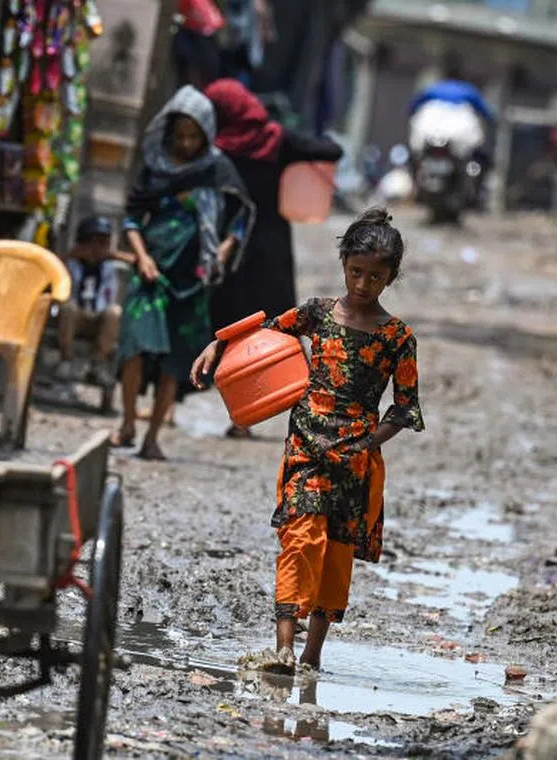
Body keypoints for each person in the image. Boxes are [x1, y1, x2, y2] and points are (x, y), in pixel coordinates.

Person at [191, 208, 424, 673]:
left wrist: (367, 442)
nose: (362, 284)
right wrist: (217, 343)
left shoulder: (397, 337)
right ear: (344, 265)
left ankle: (312, 655)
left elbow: (405, 408)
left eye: (375, 277)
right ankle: (283, 648)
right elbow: (266, 332)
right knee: (299, 538)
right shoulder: (318, 313)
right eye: (356, 272)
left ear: (390, 277)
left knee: (336, 554)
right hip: (305, 447)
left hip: (354, 461)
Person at [113, 85, 247, 461]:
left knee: (174, 363)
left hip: (192, 281)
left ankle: (152, 437)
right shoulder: (154, 167)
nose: (187, 144)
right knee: (135, 348)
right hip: (152, 273)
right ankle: (126, 424)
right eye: (181, 136)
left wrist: (221, 251)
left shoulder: (219, 169)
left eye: (195, 136)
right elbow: (132, 218)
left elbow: (238, 220)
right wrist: (142, 257)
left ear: (205, 134)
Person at [204, 78, 342, 439]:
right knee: (283, 325)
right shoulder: (276, 139)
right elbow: (330, 150)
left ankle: (242, 418)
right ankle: (317, 412)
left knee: (234, 329)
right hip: (271, 244)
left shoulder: (216, 146)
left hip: (230, 243)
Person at [55, 215, 136, 385]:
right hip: (76, 317)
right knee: (67, 307)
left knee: (115, 312)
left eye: (102, 243)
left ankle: (97, 364)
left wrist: (114, 255)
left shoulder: (109, 266)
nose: (96, 249)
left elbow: (137, 262)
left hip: (99, 319)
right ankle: (66, 359)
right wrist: (70, 255)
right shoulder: (71, 264)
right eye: (92, 242)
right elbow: (50, 265)